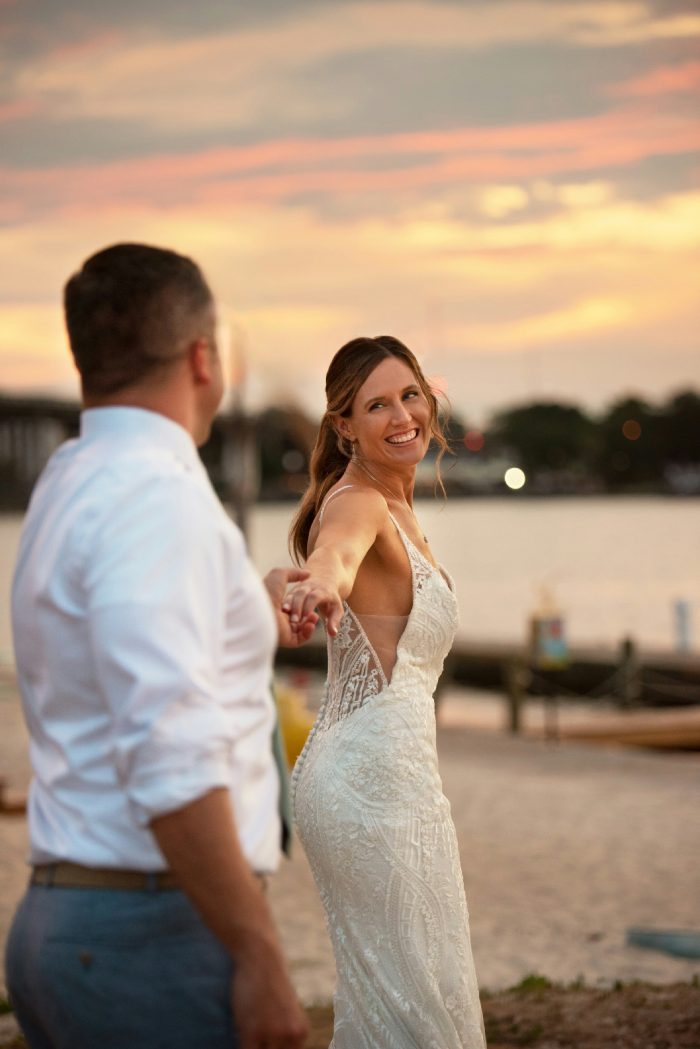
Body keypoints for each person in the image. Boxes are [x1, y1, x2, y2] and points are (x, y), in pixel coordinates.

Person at [5, 243, 310, 1049]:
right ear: (202, 357)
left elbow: (113, 650)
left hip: (77, 916)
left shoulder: (70, 480)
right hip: (152, 931)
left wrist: (247, 607)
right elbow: (169, 748)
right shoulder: (154, 497)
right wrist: (258, 951)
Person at [282, 336, 486, 1048]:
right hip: (371, 786)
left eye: (409, 396)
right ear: (344, 426)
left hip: (389, 774)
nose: (402, 417)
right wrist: (319, 584)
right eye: (377, 405)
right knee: (415, 1007)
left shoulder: (395, 505)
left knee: (410, 995)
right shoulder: (360, 502)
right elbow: (334, 554)